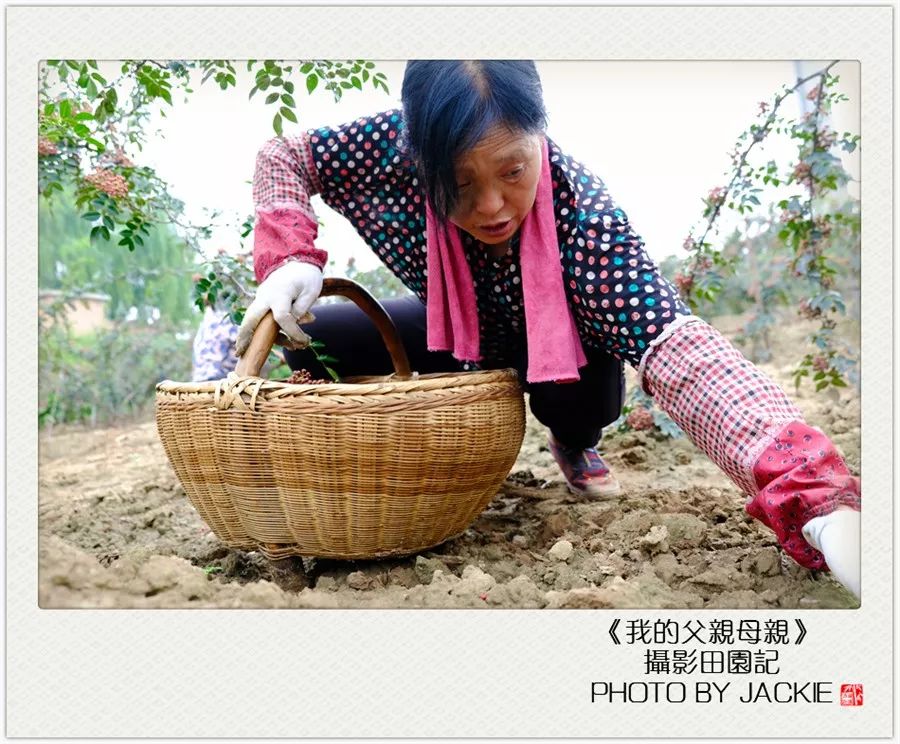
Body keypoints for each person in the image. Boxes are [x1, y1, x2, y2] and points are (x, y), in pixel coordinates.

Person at [235, 60, 861, 598]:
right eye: (458, 182)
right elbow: (284, 156)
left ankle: (574, 436)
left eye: (512, 171)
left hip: (560, 344)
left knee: (583, 396)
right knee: (317, 334)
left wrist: (816, 498)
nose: (490, 206)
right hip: (459, 331)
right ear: (417, 158)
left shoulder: (587, 224)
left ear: (539, 138)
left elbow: (685, 355)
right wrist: (289, 256)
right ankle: (365, 459)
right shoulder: (387, 147)